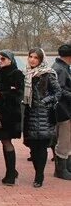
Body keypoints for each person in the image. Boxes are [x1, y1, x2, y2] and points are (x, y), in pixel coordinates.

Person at [23, 48, 61, 187]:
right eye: (30, 57)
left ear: (41, 59)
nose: (32, 60)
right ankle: (37, 172)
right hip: (30, 114)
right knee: (33, 148)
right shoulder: (27, 74)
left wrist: (44, 102)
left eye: (35, 58)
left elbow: (57, 93)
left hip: (43, 115)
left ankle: (39, 176)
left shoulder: (47, 74)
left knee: (41, 146)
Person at [0, 50, 24, 185]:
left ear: (10, 59)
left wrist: (0, 94)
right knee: (4, 141)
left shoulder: (17, 73)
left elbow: (18, 94)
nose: (0, 61)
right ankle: (12, 170)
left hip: (10, 114)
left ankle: (10, 174)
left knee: (6, 141)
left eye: (3, 58)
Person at [52, 43, 71, 180]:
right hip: (63, 110)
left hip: (65, 108)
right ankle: (61, 169)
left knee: (67, 139)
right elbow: (60, 90)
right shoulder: (60, 69)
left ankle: (66, 166)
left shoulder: (62, 68)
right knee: (64, 139)